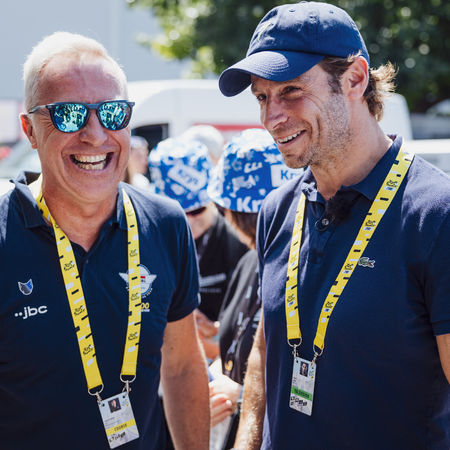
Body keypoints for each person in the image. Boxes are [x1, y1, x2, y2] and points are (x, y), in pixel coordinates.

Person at [218, 2, 450, 449]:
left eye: (290, 90)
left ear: (355, 79)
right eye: (262, 97)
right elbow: (266, 349)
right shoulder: (277, 208)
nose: (271, 117)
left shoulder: (435, 213)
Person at [0, 31, 209, 450]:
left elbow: (183, 365)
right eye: (69, 115)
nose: (95, 135)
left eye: (113, 113)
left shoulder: (165, 223)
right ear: (30, 130)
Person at [206, 128, 301, 450]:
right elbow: (233, 345)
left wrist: (241, 395)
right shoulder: (250, 261)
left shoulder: (303, 267)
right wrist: (215, 381)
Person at [149, 137, 247, 358]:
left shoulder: (238, 240)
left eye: (196, 211)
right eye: (176, 214)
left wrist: (217, 331)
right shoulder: (145, 239)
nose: (187, 222)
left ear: (212, 200)